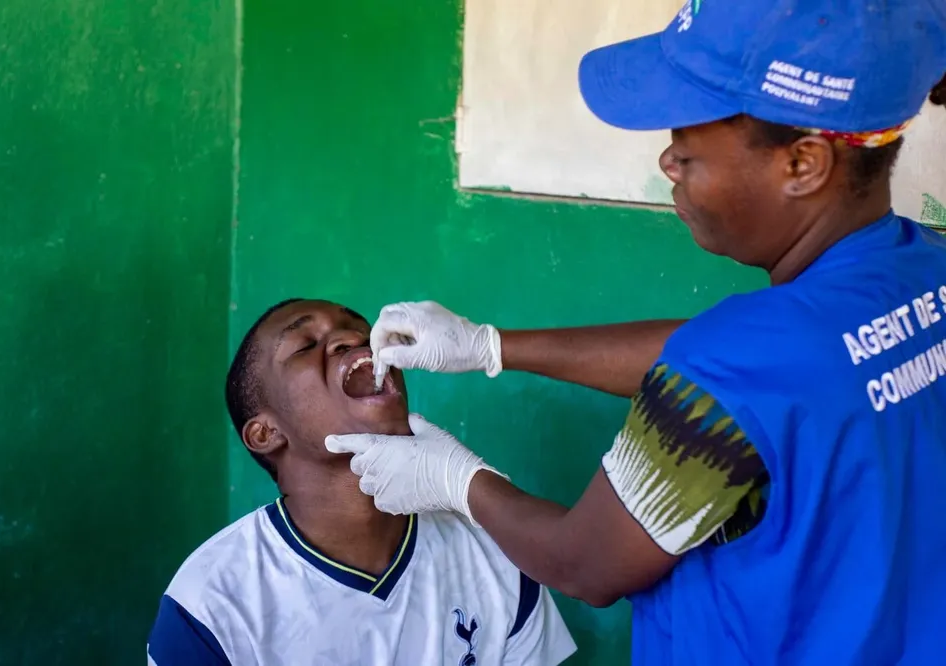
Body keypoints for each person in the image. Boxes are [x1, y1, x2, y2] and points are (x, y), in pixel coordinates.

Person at [325, 2, 946, 664]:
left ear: (803, 164)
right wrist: (492, 346)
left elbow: (585, 565)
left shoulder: (737, 365)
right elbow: (734, 364)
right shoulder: (920, 269)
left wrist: (454, 480)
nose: (668, 159)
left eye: (689, 142)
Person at [146, 299, 576, 666]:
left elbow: (586, 565)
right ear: (266, 433)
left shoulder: (495, 550)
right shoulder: (210, 605)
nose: (352, 339)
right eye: (305, 345)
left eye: (359, 330)